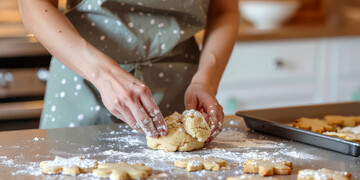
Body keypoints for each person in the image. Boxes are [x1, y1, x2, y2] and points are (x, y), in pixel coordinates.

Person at [19, 0, 239, 143]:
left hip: (181, 90)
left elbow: (224, 11)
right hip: (84, 79)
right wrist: (103, 74)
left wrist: (205, 82)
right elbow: (32, 5)